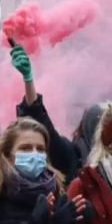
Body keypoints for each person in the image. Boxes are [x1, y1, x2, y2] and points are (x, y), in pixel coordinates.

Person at [9, 45, 77, 184]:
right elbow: (37, 117)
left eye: (40, 149)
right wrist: (28, 80)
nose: (34, 155)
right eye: (25, 148)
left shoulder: (62, 192)